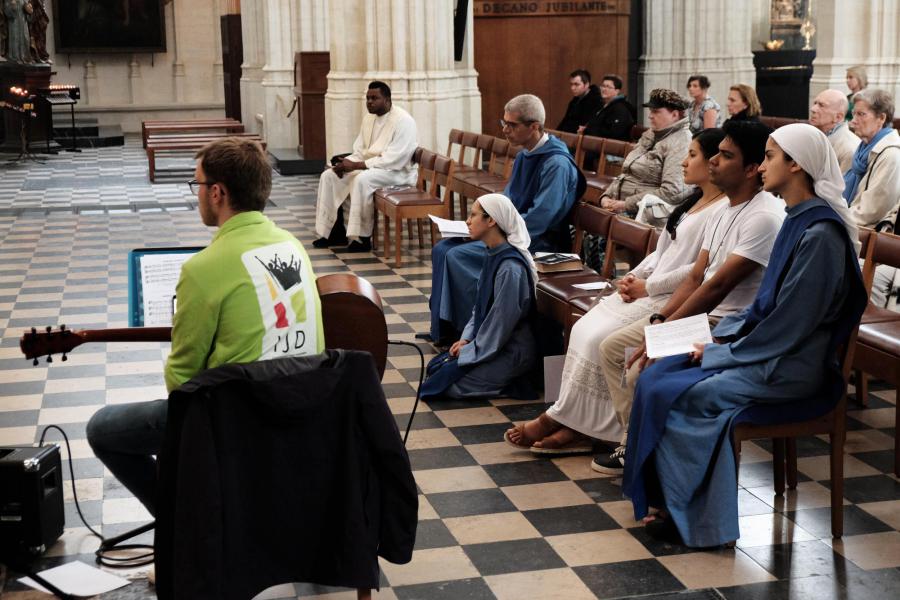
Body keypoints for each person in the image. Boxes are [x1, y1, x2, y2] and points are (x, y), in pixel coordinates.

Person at [623, 123, 867, 548]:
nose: (763, 166)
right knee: (657, 375)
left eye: (770, 157)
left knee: (688, 395)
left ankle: (695, 519)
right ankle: (668, 500)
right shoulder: (797, 220)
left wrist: (719, 352)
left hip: (792, 366)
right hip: (766, 351)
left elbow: (791, 326)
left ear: (796, 165)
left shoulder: (821, 235)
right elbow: (762, 308)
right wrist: (717, 340)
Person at [87, 138, 325, 515]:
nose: (196, 193)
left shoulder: (203, 269)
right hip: (302, 403)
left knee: (103, 429)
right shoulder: (292, 245)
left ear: (217, 192)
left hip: (236, 416)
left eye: (196, 184)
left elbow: (183, 377)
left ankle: (185, 527)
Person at [505, 129, 728, 454]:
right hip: (649, 288)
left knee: (600, 341)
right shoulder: (692, 201)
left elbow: (698, 272)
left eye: (692, 155)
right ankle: (571, 421)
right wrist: (631, 278)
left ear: (713, 163)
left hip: (673, 297)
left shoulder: (721, 210)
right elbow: (662, 253)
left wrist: (645, 286)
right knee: (583, 328)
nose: (683, 161)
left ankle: (585, 427)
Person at [592, 119, 785, 474]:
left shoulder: (765, 217)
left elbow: (716, 287)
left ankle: (650, 456)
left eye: (725, 156)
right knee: (612, 348)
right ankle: (632, 442)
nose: (713, 161)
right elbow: (696, 276)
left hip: (727, 324)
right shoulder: (724, 208)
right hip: (698, 317)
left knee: (640, 372)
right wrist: (661, 319)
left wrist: (663, 333)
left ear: (751, 169)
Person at [428, 94, 582, 342]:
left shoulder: (556, 163)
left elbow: (540, 219)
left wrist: (495, 235)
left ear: (534, 127)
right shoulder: (524, 155)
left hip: (536, 242)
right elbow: (506, 203)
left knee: (457, 256)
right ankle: (446, 328)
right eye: (504, 123)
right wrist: (482, 225)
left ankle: (476, 334)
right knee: (443, 248)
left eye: (512, 125)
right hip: (508, 233)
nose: (505, 131)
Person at [420, 194, 538, 399]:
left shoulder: (510, 269)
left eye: (473, 215)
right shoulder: (492, 253)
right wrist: (466, 339)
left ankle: (513, 384)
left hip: (511, 350)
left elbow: (500, 325)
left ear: (491, 220)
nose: (467, 221)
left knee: (449, 387)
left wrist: (470, 350)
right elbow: (479, 308)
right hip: (492, 344)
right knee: (435, 370)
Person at [313, 81, 418, 252]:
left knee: (362, 179)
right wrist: (346, 163)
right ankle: (333, 233)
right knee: (329, 175)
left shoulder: (404, 121)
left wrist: (356, 165)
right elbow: (361, 150)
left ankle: (361, 238)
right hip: (373, 167)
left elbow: (395, 159)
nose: (369, 102)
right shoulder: (369, 119)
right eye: (368, 98)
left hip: (399, 172)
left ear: (387, 99)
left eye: (374, 98)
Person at [600, 88, 693, 227]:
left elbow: (673, 192)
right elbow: (626, 173)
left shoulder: (682, 143)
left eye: (655, 111)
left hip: (643, 216)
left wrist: (626, 204)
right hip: (621, 207)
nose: (650, 116)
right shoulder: (651, 134)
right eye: (650, 111)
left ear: (674, 115)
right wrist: (606, 196)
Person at [843, 88, 900, 230]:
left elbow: (871, 211)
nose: (853, 121)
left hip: (867, 233)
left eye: (861, 114)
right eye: (853, 114)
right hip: (851, 222)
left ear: (881, 118)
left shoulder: (891, 154)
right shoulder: (863, 147)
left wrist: (833, 218)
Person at [809, 89, 860, 172]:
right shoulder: (813, 136)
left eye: (821, 105)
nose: (813, 109)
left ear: (838, 117)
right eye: (815, 103)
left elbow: (843, 184)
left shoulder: (849, 150)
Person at [581, 73, 635, 141]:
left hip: (611, 148)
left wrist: (587, 130)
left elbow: (613, 133)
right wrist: (586, 129)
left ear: (617, 91)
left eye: (608, 87)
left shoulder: (620, 108)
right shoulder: (603, 105)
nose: (604, 89)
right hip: (596, 144)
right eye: (603, 86)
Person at [556, 69, 605, 133]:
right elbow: (565, 121)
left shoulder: (597, 102)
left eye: (576, 84)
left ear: (586, 85)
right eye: (571, 84)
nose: (572, 88)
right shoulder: (575, 100)